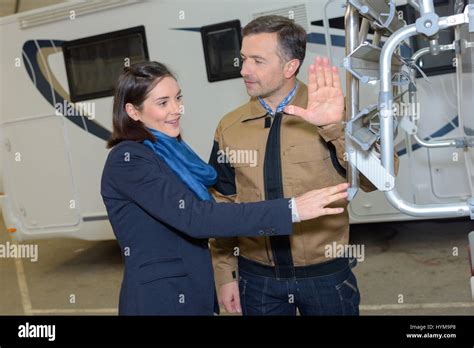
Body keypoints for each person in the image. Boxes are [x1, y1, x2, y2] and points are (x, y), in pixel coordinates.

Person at [100, 61, 349, 315]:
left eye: (178, 98)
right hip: (161, 301)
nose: (177, 109)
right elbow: (197, 217)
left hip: (191, 294)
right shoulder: (128, 159)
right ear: (133, 111)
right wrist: (291, 209)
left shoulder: (171, 153)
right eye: (163, 103)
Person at [209, 15, 399, 316]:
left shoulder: (335, 109)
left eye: (257, 61)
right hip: (257, 280)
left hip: (326, 277)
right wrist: (226, 275)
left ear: (290, 67)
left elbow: (379, 179)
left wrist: (334, 128)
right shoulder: (229, 127)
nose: (244, 70)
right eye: (243, 59)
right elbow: (221, 206)